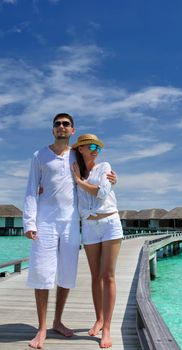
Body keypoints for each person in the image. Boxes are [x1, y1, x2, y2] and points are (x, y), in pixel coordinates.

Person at [23, 114, 116, 349]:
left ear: (72, 130)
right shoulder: (39, 155)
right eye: (57, 124)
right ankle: (42, 328)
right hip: (45, 222)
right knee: (43, 274)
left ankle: (57, 321)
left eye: (66, 124)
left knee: (66, 273)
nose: (61, 127)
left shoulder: (78, 155)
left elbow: (96, 174)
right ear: (53, 129)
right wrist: (29, 223)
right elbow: (31, 190)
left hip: (72, 222)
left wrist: (112, 179)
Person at [71, 134, 123, 349]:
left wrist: (79, 182)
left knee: (108, 275)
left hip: (110, 222)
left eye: (97, 147)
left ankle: (108, 328)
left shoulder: (104, 167)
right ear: (80, 149)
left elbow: (102, 193)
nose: (95, 150)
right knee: (95, 276)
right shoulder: (73, 169)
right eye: (91, 146)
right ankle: (99, 319)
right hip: (89, 227)